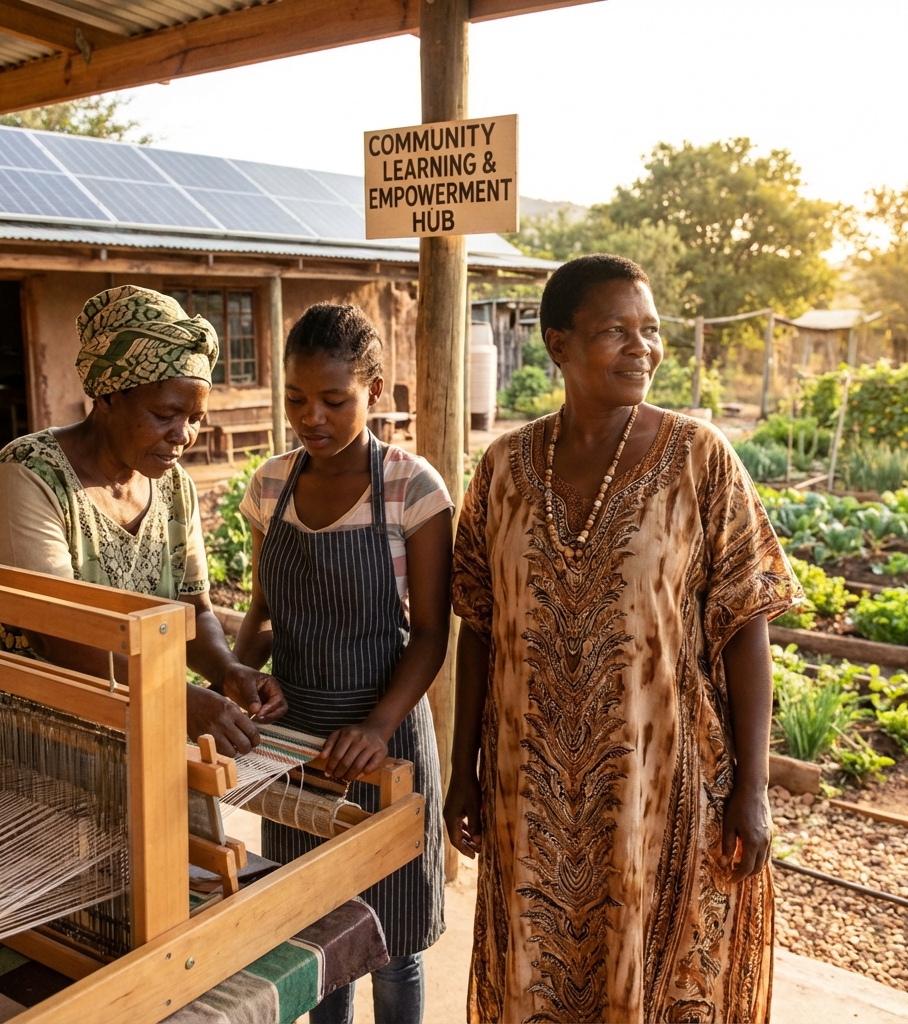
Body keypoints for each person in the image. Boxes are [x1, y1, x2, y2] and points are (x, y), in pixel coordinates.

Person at [445, 254, 803, 1024]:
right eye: (616, 331)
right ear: (558, 344)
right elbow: (477, 622)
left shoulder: (700, 460)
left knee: (658, 984)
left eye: (651, 330)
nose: (642, 347)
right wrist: (462, 771)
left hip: (663, 788)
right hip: (529, 796)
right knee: (534, 981)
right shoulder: (504, 468)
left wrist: (753, 786)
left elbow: (746, 627)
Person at [234, 303, 451, 1024]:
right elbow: (263, 618)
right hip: (295, 745)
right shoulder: (271, 486)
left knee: (392, 942)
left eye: (335, 400)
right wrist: (240, 682)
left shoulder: (411, 489)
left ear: (377, 392)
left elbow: (427, 636)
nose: (312, 417)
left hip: (380, 738)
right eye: (296, 399)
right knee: (316, 938)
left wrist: (377, 725)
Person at [0, 284, 285, 754]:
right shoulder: (27, 476)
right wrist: (174, 698)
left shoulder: (173, 486)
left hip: (133, 726)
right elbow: (55, 632)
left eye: (196, 417)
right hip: (25, 734)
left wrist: (226, 670)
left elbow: (193, 610)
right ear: (107, 396)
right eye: (165, 414)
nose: (183, 435)